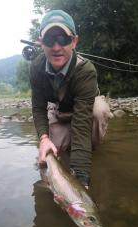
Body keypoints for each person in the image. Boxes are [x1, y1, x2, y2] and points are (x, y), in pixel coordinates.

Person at [29, 10, 113, 188]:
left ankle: (90, 148)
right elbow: (38, 108)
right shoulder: (36, 67)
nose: (56, 47)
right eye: (50, 40)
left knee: (98, 112)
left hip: (85, 110)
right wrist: (44, 139)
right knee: (49, 157)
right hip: (60, 109)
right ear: (41, 42)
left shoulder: (85, 71)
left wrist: (81, 179)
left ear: (74, 41)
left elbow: (81, 125)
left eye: (64, 39)